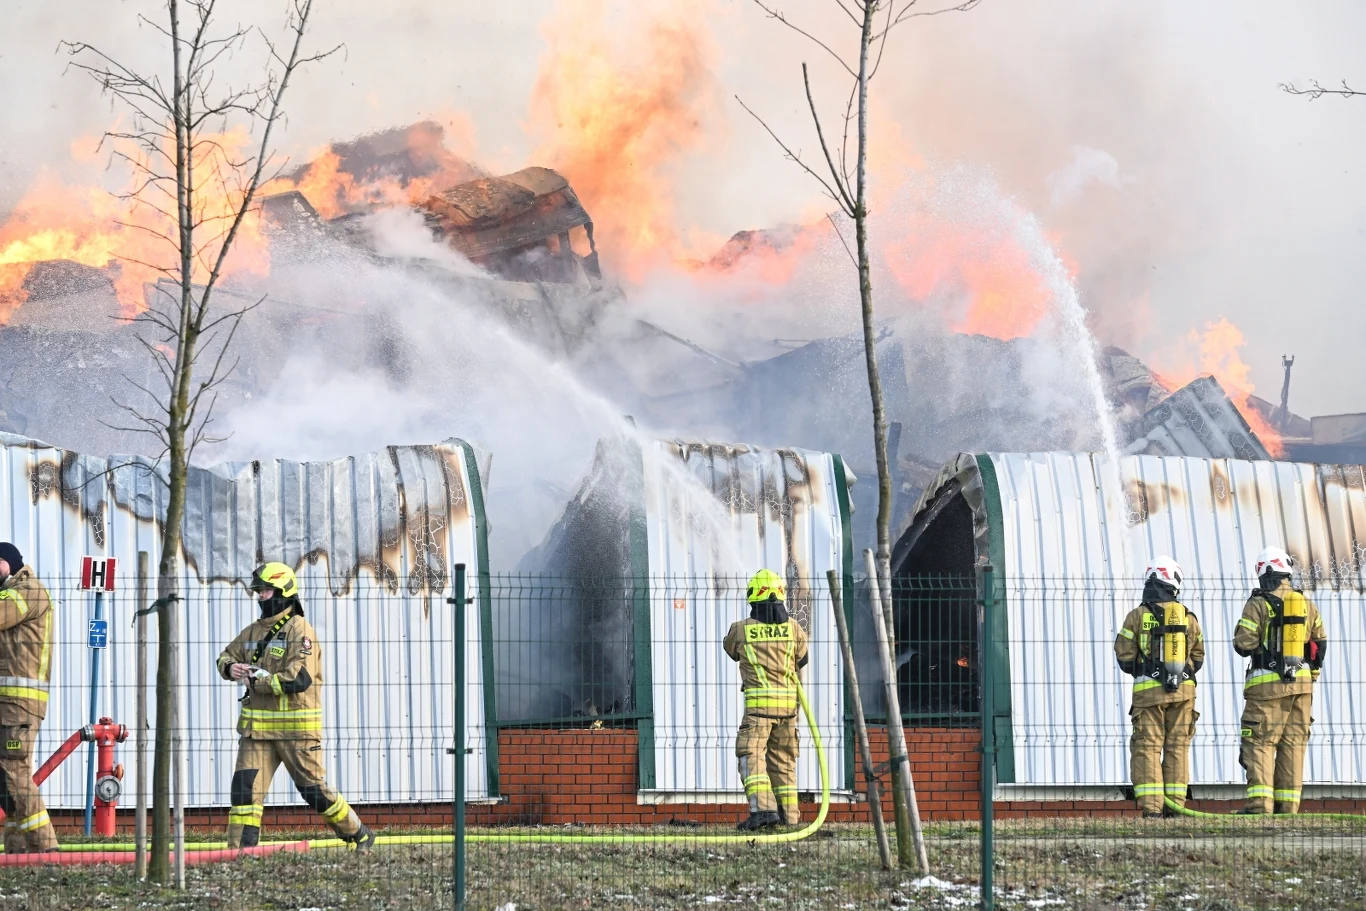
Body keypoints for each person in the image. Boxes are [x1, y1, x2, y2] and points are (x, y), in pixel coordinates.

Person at [217, 562, 374, 849]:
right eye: (259, 591)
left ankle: (358, 834)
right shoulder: (252, 632)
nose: (260, 596)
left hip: (297, 733)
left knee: (314, 791)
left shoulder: (300, 630)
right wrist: (230, 668)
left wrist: (256, 681)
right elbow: (226, 655)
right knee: (244, 794)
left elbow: (299, 678)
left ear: (283, 592)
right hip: (257, 733)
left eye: (266, 590)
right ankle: (239, 855)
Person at [1233, 546, 1327, 815]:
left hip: (1267, 688)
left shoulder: (1258, 603)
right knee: (1293, 747)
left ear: (1265, 572)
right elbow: (1319, 645)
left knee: (1259, 743)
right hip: (1302, 688)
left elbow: (1244, 644)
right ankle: (1288, 810)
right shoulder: (1306, 604)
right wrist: (1309, 678)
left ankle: (1260, 807)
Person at [1114, 556, 1205, 818]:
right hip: (1184, 693)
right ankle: (1175, 807)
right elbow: (1198, 657)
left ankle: (1152, 810)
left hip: (1148, 695)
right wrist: (1179, 674)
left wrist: (1148, 670)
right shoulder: (1188, 617)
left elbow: (1124, 656)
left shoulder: (1136, 616)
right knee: (1178, 747)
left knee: (1148, 747)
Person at [723, 569, 810, 830]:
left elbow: (730, 650)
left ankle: (763, 811)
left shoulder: (741, 629)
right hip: (788, 711)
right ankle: (789, 819)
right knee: (783, 763)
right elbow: (803, 659)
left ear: (752, 596)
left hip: (759, 711)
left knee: (750, 755)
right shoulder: (793, 628)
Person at [0, 542, 59, 853]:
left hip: (18, 706)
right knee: (6, 779)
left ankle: (45, 849)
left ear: (9, 563)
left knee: (14, 771)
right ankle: (17, 852)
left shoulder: (27, 591)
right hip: (8, 705)